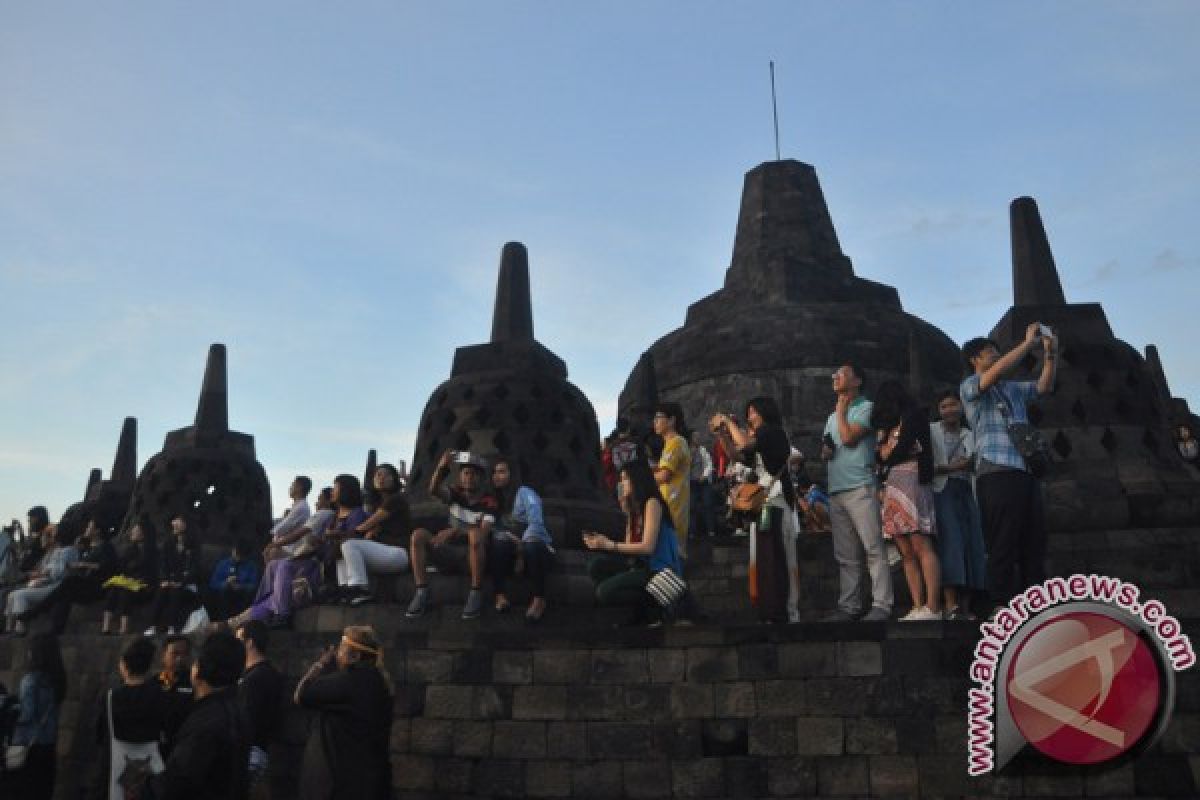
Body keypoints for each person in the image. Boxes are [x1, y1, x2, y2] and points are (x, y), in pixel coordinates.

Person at [960, 322, 1058, 608]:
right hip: (996, 469)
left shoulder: (1013, 390)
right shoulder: (970, 387)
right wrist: (1027, 345)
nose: (994, 354)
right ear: (974, 359)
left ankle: (1036, 603)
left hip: (1024, 468)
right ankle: (1000, 604)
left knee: (1033, 541)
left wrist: (1050, 354)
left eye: (995, 351)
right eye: (989, 351)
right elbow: (993, 375)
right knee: (1002, 539)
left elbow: (1044, 386)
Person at [712, 397, 801, 624]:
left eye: (752, 412)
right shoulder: (760, 438)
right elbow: (737, 456)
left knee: (777, 555)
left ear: (764, 413)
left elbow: (743, 443)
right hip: (762, 502)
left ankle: (785, 612)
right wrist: (722, 434)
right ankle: (770, 609)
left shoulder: (773, 433)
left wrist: (727, 421)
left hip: (777, 500)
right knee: (763, 557)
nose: (749, 417)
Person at [822, 363, 893, 622]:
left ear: (857, 381)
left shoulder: (867, 408)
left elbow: (850, 437)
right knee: (845, 554)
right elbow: (828, 446)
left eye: (841, 373)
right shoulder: (832, 416)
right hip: (837, 487)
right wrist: (826, 450)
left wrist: (841, 411)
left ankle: (882, 604)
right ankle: (849, 605)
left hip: (861, 485)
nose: (835, 377)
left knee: (873, 547)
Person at [294, 625, 393, 800]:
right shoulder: (379, 682)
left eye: (342, 649)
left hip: (342, 784)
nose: (338, 654)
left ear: (355, 656)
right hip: (367, 781)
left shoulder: (349, 681)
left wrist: (321, 664)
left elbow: (301, 695)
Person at [582, 459, 684, 626]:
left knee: (603, 592)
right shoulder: (635, 509)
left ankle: (654, 606)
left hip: (658, 571)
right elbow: (630, 547)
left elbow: (648, 547)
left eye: (626, 479)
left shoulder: (652, 503)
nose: (622, 483)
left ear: (638, 479)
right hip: (640, 566)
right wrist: (626, 510)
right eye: (621, 479)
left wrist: (609, 545)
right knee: (596, 566)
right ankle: (642, 610)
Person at [872, 380, 941, 621]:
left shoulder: (913, 416)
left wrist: (887, 456)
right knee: (905, 549)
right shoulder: (887, 428)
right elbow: (879, 456)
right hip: (892, 482)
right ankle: (917, 605)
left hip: (912, 477)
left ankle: (933, 606)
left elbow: (905, 448)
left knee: (920, 543)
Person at [152, 631, 250, 800]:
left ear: (200, 669)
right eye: (174, 654)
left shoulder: (206, 722)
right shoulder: (236, 711)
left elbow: (179, 781)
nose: (181, 660)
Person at [221, 488, 334, 630]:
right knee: (274, 565)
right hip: (301, 559)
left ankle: (282, 614)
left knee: (282, 566)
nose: (317, 501)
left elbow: (298, 533)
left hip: (311, 563)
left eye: (320, 498)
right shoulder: (316, 513)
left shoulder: (324, 513)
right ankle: (263, 600)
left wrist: (276, 542)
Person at [406, 451, 499, 620]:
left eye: (474, 474)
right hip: (447, 552)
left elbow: (483, 532)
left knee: (475, 535)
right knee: (418, 535)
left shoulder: (489, 502)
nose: (469, 478)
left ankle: (476, 591)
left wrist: (455, 531)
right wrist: (442, 467)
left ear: (481, 479)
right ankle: (421, 591)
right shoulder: (455, 494)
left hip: (470, 558)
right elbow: (434, 489)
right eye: (466, 473)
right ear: (460, 477)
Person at [930, 390, 987, 621]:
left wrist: (965, 466)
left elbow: (975, 462)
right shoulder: (932, 431)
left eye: (953, 405)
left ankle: (966, 606)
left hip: (966, 491)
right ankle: (950, 603)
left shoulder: (969, 434)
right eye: (944, 406)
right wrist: (954, 467)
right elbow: (928, 466)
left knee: (971, 544)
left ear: (961, 408)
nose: (949, 410)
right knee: (950, 543)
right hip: (942, 490)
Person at [91, 637, 167, 800]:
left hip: (112, 762)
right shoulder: (160, 695)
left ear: (124, 664)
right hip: (149, 767)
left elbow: (99, 731)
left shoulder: (110, 696)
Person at [486, 457, 555, 622]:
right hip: (510, 548)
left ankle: (539, 599)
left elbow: (536, 522)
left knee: (532, 546)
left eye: (502, 471)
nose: (497, 476)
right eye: (494, 472)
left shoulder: (525, 493)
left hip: (534, 546)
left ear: (512, 474)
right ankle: (500, 595)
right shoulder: (494, 499)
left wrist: (521, 551)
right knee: (498, 544)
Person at [24, 517, 118, 634]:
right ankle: (56, 629)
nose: (86, 529)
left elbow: (107, 566)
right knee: (65, 593)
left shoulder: (106, 547)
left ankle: (37, 611)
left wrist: (83, 564)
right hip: (86, 585)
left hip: (98, 587)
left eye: (89, 527)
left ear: (97, 531)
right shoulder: (89, 548)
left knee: (69, 582)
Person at [336, 464, 411, 606]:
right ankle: (345, 589)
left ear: (394, 479)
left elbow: (366, 525)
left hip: (399, 553)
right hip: (382, 552)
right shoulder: (376, 504)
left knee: (348, 544)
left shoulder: (396, 500)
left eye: (386, 474)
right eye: (378, 475)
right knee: (339, 552)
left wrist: (346, 534)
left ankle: (360, 588)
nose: (381, 478)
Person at [4, 633, 67, 799]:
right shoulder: (58, 680)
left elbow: (27, 715)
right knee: (42, 791)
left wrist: (11, 708)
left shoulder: (31, 680)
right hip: (48, 745)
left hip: (28, 747)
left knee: (21, 791)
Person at [236, 620, 285, 797]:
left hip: (250, 751)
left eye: (239, 640)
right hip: (260, 749)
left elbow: (248, 719)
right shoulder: (269, 673)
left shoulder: (255, 678)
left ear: (249, 642)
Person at [4, 522, 80, 635]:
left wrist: (44, 573)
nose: (53, 534)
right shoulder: (60, 551)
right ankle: (9, 628)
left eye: (55, 532)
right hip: (48, 584)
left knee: (21, 595)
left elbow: (57, 574)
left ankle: (21, 628)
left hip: (55, 587)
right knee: (12, 595)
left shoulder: (68, 551)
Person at [101, 516, 159, 635]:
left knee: (125, 592)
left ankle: (124, 628)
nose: (132, 533)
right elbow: (121, 568)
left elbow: (152, 573)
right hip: (128, 583)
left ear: (144, 534)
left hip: (144, 586)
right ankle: (105, 627)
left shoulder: (152, 552)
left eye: (136, 531)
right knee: (114, 590)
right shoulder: (129, 550)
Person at [146, 515, 201, 635]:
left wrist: (181, 582)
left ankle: (172, 627)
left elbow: (194, 569)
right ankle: (153, 626)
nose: (174, 523)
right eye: (173, 521)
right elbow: (163, 565)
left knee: (175, 592)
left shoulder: (194, 546)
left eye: (178, 521)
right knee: (162, 591)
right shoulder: (168, 544)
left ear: (185, 525)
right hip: (170, 581)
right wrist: (165, 579)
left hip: (187, 584)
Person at [318, 475, 370, 594]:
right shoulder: (334, 516)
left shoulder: (356, 513)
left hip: (343, 561)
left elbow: (355, 535)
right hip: (330, 562)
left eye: (335, 488)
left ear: (345, 491)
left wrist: (334, 534)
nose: (332, 491)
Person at [652, 402, 692, 554]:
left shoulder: (675, 442)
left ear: (671, 420)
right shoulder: (676, 442)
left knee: (668, 553)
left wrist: (641, 478)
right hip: (675, 505)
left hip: (671, 505)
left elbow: (664, 476)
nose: (654, 421)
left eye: (658, 417)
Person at [206, 539, 261, 621]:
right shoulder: (223, 564)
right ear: (233, 550)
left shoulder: (251, 566)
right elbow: (212, 583)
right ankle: (224, 622)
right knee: (223, 590)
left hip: (242, 595)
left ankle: (240, 620)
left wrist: (241, 587)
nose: (238, 558)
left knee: (250, 593)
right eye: (237, 554)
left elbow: (254, 585)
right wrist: (226, 583)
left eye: (241, 556)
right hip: (224, 595)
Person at [158, 634, 194, 758]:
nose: (180, 659)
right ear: (164, 655)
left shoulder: (196, 683)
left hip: (186, 749)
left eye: (184, 654)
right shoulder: (154, 684)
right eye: (175, 653)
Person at [263, 476, 313, 561]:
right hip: (287, 548)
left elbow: (281, 529)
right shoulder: (298, 506)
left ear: (299, 487)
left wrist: (266, 529)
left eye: (293, 485)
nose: (290, 487)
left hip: (290, 550)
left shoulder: (301, 507)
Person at [689, 432, 716, 538]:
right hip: (691, 482)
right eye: (695, 437)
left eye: (698, 437)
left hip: (703, 481)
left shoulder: (703, 450)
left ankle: (711, 530)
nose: (698, 439)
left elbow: (709, 464)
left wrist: (704, 476)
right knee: (691, 507)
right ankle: (691, 531)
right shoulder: (687, 450)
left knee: (708, 504)